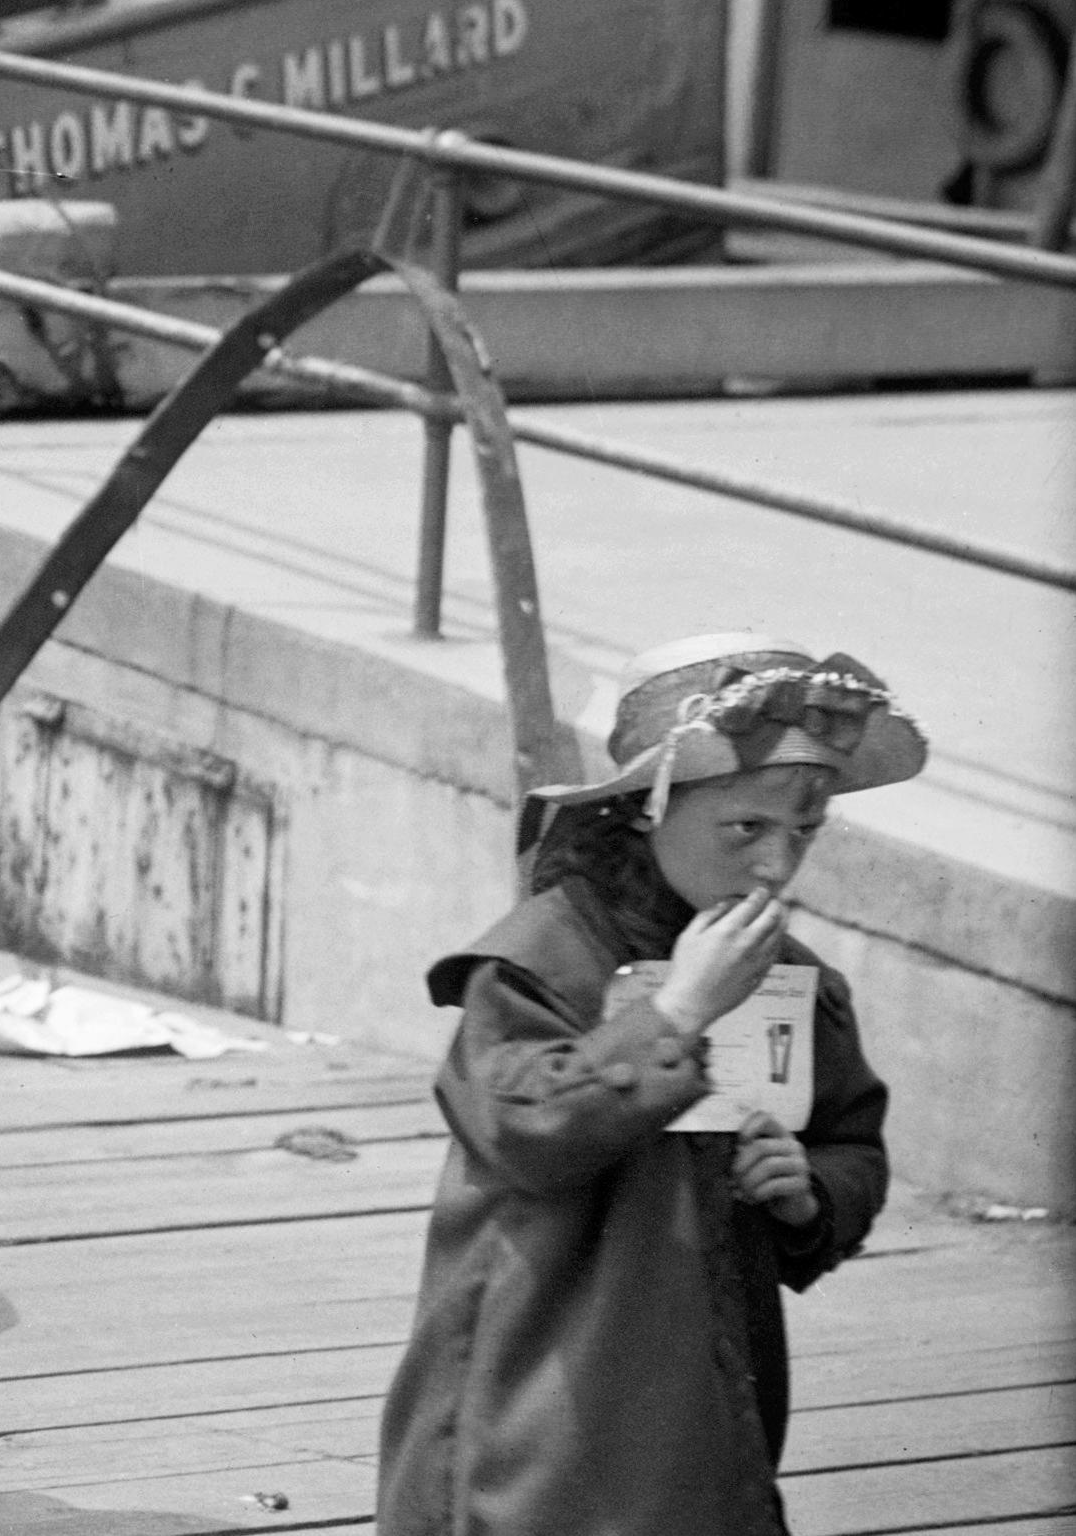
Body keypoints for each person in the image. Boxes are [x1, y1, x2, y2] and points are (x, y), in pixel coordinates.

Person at [375, 637, 913, 1536]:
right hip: (537, 1393)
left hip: (700, 1406)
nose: (776, 867)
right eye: (744, 829)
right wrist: (676, 1010)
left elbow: (850, 1139)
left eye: (802, 833)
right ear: (642, 810)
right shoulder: (538, 959)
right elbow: (519, 1125)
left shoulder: (786, 979)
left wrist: (806, 1192)